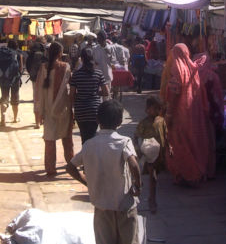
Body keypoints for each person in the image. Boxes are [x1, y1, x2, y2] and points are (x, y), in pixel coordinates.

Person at [66, 99, 142, 244]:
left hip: (101, 206)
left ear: (98, 120)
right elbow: (133, 164)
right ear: (120, 121)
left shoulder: (89, 145)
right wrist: (138, 185)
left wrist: (86, 182)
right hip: (124, 205)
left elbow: (70, 167)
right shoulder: (124, 142)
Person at [164, 43, 210, 186]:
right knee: (194, 142)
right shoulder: (193, 68)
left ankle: (187, 174)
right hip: (194, 112)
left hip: (181, 113)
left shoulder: (176, 69)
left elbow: (174, 94)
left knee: (180, 143)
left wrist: (169, 114)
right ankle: (197, 172)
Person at [33, 42, 74, 176]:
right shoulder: (65, 67)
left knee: (50, 140)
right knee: (67, 138)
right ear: (60, 53)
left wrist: (39, 111)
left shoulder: (43, 67)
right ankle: (71, 165)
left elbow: (38, 90)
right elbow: (71, 88)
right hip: (63, 109)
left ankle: (50, 168)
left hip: (48, 109)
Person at [133, 96, 167, 214]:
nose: (157, 111)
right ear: (147, 109)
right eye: (154, 109)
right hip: (149, 154)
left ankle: (142, 190)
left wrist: (169, 147)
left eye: (159, 109)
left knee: (155, 175)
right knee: (153, 176)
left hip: (160, 154)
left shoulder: (161, 121)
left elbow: (165, 135)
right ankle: (152, 200)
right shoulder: (144, 123)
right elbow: (136, 136)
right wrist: (138, 149)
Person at [71, 47, 109, 144]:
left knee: (84, 137)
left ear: (82, 59)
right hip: (94, 110)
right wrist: (96, 92)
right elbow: (106, 92)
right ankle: (91, 157)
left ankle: (85, 156)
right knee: (92, 136)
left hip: (80, 111)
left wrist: (71, 111)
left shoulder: (76, 75)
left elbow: (72, 95)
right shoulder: (98, 73)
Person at [195, 51, 223, 179]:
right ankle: (210, 170)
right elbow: (217, 97)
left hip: (195, 113)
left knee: (199, 142)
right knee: (210, 141)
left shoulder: (192, 75)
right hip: (210, 113)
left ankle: (199, 170)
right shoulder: (212, 76)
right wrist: (221, 113)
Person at [0, 40, 23, 126]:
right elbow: (21, 68)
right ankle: (15, 118)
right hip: (15, 79)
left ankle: (2, 119)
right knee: (15, 96)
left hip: (3, 78)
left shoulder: (2, 54)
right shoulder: (18, 55)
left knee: (4, 96)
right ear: (16, 46)